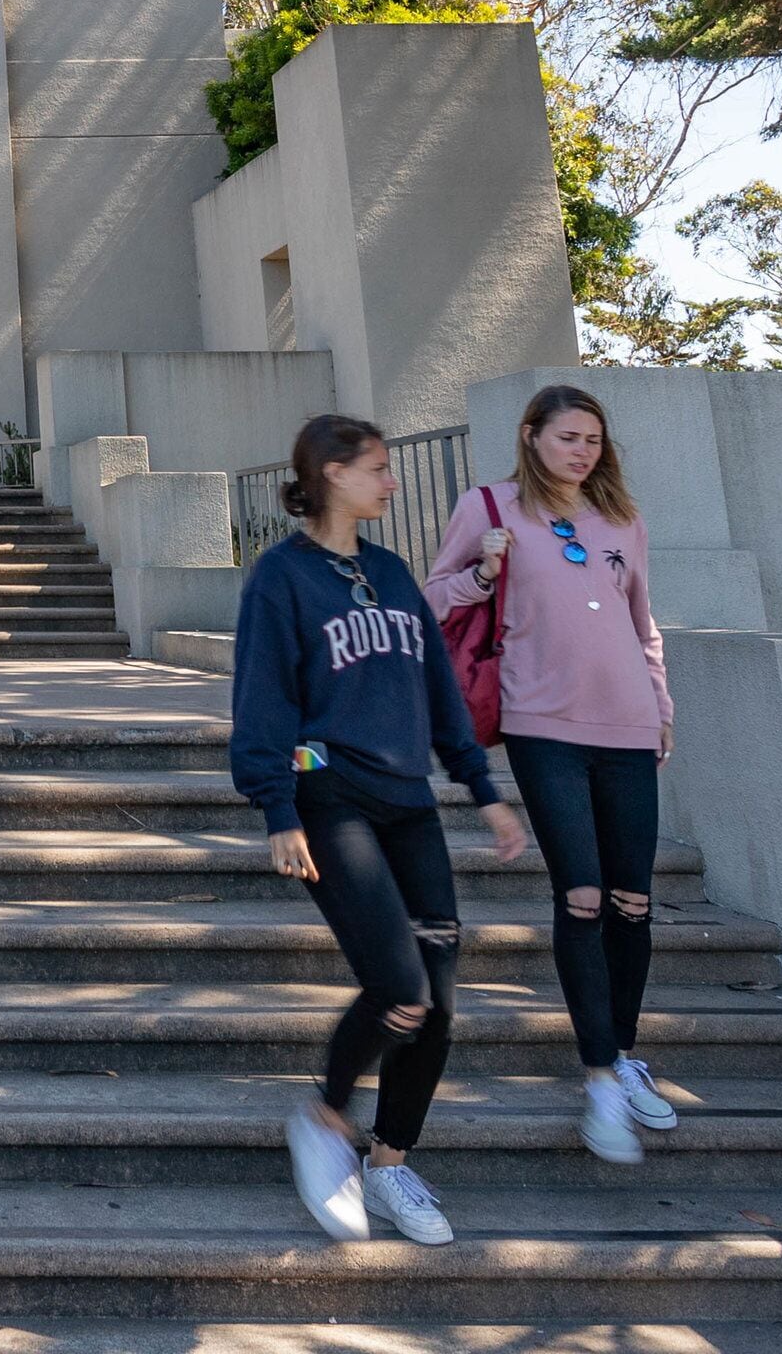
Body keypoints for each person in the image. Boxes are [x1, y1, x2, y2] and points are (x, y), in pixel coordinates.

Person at [235, 413, 529, 1247]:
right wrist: (277, 808)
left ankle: (391, 1163)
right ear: (331, 472)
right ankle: (325, 1120)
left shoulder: (394, 574)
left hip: (409, 802)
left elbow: (440, 691)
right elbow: (262, 698)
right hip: (330, 799)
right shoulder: (281, 578)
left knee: (436, 1003)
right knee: (399, 985)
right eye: (377, 468)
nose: (391, 482)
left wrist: (483, 788)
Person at [423, 383, 675, 1166]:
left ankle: (624, 1055)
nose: (582, 452)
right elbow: (430, 598)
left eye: (593, 440)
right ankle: (598, 1074)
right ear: (531, 436)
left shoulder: (622, 522)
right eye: (568, 437)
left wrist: (661, 702)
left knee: (633, 901)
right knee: (584, 894)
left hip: (629, 726)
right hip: (542, 725)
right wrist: (481, 578)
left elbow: (644, 625)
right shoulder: (490, 508)